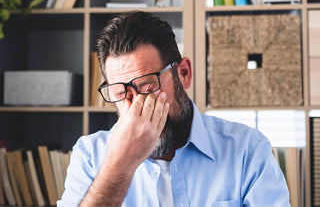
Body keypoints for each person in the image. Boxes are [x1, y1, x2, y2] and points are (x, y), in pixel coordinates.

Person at [57, 11, 291, 206]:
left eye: (148, 86)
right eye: (121, 94)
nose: (136, 108)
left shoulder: (248, 151)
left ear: (184, 74)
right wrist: (121, 164)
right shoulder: (89, 155)